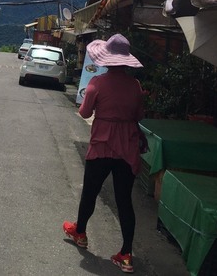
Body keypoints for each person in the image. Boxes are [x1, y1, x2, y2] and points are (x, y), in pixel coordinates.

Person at [62, 33, 145, 274]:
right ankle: (126, 255)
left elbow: (85, 113)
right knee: (124, 200)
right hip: (127, 148)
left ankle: (80, 233)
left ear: (106, 59)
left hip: (101, 146)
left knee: (90, 192)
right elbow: (139, 116)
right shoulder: (135, 86)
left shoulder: (97, 83)